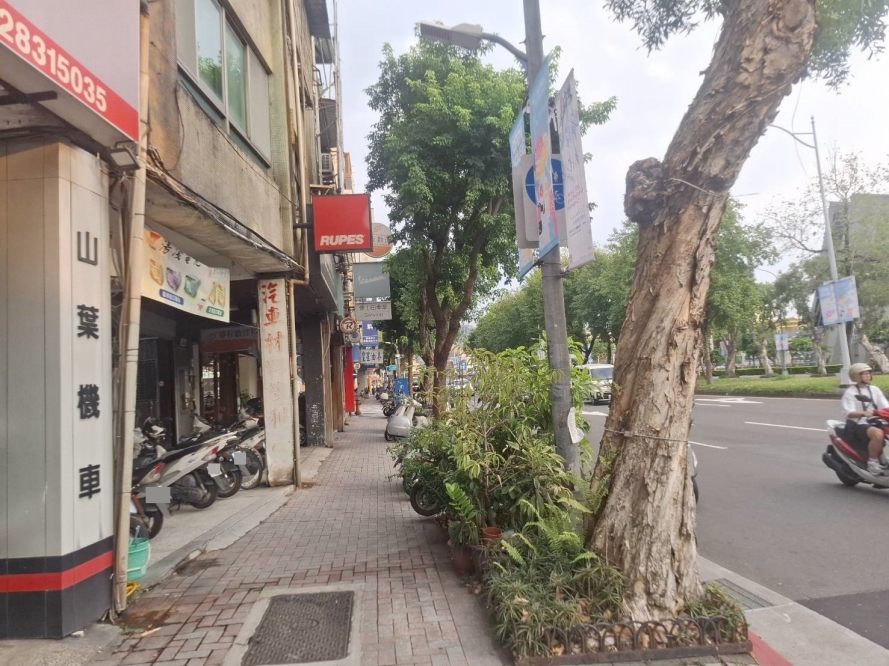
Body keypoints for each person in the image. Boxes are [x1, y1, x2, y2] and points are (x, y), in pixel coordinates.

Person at [842, 362, 889, 475]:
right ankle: (872, 462)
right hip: (858, 423)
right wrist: (863, 413)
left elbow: (885, 406)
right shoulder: (850, 392)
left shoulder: (874, 389)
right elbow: (849, 413)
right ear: (856, 376)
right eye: (864, 374)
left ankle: (883, 458)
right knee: (878, 433)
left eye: (869, 373)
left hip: (876, 420)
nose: (868, 375)